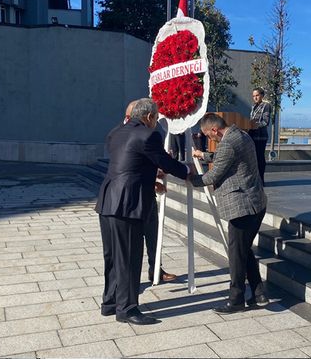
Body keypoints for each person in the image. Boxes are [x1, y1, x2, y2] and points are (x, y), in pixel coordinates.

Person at [95, 98, 189, 325]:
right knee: (129, 257)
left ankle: (110, 303)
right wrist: (187, 171)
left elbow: (130, 164)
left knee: (112, 257)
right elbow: (166, 163)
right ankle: (127, 309)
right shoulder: (148, 135)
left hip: (107, 201)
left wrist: (149, 181)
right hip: (127, 204)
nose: (157, 123)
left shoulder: (116, 132)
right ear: (148, 117)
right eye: (156, 118)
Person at [190, 113, 269, 314]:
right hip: (256, 203)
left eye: (209, 135)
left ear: (215, 130)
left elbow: (214, 174)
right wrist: (203, 155)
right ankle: (259, 294)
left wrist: (191, 179)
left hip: (243, 207)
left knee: (236, 253)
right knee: (243, 249)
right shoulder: (241, 135)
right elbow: (226, 156)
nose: (209, 139)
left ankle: (236, 300)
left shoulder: (227, 143)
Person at [123, 100, 178, 284]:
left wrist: (154, 179)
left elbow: (141, 165)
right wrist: (183, 171)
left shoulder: (142, 133)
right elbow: (129, 170)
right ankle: (130, 280)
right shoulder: (127, 134)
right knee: (133, 242)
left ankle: (156, 269)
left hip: (146, 196)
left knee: (153, 235)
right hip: (131, 201)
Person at [248, 88, 271, 185]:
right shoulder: (253, 106)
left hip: (261, 136)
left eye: (257, 95)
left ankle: (261, 179)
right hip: (252, 135)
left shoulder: (266, 106)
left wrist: (254, 125)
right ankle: (254, 178)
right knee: (253, 158)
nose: (255, 98)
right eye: (253, 96)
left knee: (260, 157)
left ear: (262, 95)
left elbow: (265, 122)